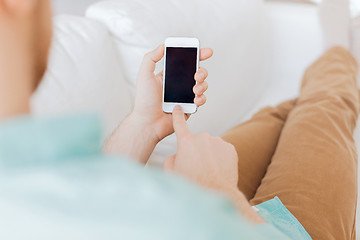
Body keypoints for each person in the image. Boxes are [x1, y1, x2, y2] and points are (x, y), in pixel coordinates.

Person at [0, 1, 358, 240]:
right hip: (272, 230)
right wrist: (219, 192)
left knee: (282, 113)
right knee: (329, 104)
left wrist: (143, 124)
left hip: (188, 200)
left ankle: (311, 88)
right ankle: (338, 52)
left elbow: (85, 201)